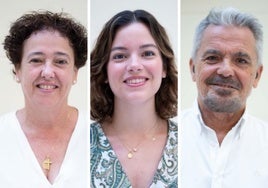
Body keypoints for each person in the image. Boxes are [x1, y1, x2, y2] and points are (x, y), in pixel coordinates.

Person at [182, 7, 268, 188]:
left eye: (241, 60)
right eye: (213, 57)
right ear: (193, 69)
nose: (226, 70)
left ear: (257, 76)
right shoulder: (164, 136)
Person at [90, 9, 178, 187]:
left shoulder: (191, 143)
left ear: (164, 68)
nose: (134, 65)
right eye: (120, 56)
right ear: (105, 71)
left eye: (147, 53)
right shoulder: (80, 145)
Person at [0, 11, 87, 187]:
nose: (47, 72)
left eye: (60, 61)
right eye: (37, 60)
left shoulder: (97, 133)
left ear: (75, 72)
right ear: (18, 70)